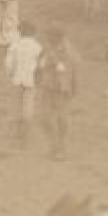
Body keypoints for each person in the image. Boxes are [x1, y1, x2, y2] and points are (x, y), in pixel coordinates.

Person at [35, 26, 78, 160]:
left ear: (57, 37)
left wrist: (54, 62)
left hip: (61, 89)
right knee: (45, 118)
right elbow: (39, 66)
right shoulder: (47, 49)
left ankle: (61, 148)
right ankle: (54, 145)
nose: (47, 38)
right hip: (47, 87)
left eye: (50, 36)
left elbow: (69, 70)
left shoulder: (68, 50)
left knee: (61, 119)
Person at [4, 22, 42, 146]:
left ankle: (19, 132)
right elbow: (41, 64)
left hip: (17, 79)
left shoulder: (15, 45)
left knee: (17, 106)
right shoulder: (37, 47)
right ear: (33, 32)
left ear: (20, 32)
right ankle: (26, 133)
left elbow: (9, 64)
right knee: (28, 106)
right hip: (31, 80)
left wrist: (11, 74)